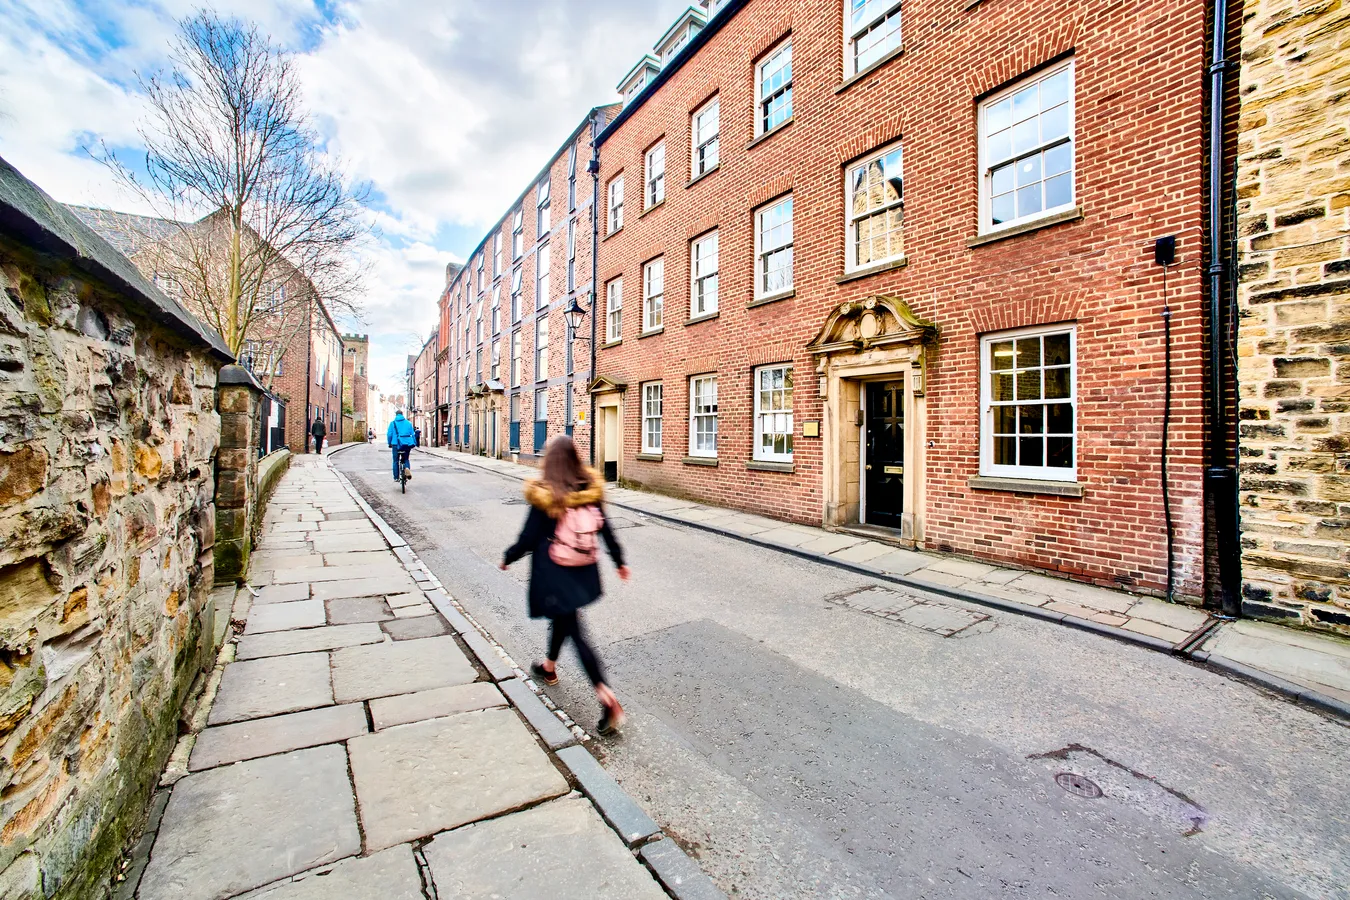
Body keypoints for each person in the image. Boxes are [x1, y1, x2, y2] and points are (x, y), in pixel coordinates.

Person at [501, 436, 630, 735]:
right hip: (582, 571)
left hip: (554, 574)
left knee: (576, 631)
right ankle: (549, 667)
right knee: (565, 619)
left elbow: (527, 539)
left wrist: (508, 557)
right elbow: (606, 531)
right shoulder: (589, 491)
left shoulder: (547, 495)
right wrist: (620, 562)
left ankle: (606, 697)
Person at [386, 410, 416, 482]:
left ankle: (396, 477)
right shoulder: (408, 423)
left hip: (395, 444)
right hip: (406, 444)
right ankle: (407, 468)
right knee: (406, 459)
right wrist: (414, 443)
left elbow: (389, 434)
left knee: (395, 461)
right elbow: (412, 434)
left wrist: (389, 443)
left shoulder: (392, 423)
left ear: (396, 415)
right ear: (402, 415)